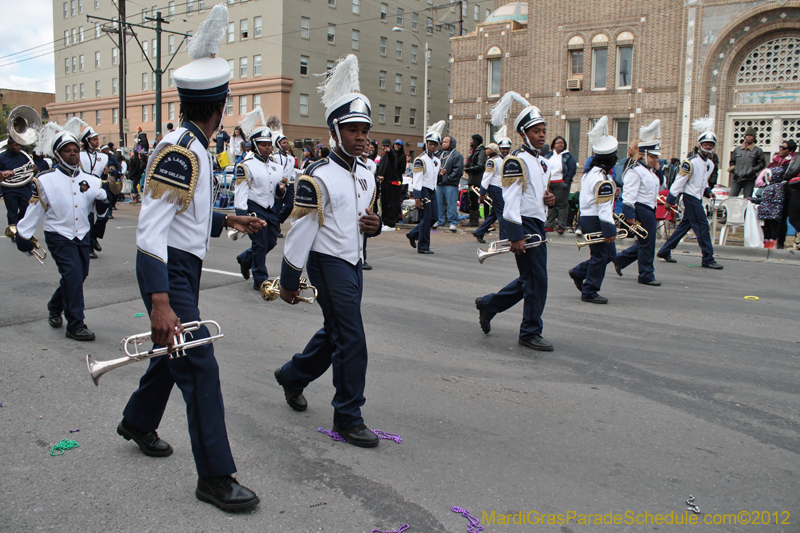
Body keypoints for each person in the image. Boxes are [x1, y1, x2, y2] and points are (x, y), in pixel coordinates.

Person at [120, 5, 263, 512]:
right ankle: (215, 478)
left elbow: (187, 214)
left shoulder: (196, 147)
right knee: (200, 365)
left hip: (184, 266)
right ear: (220, 103)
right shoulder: (182, 151)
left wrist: (230, 220)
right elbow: (151, 233)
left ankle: (137, 421)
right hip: (170, 273)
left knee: (171, 356)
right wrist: (160, 300)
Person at [274, 54, 382, 448]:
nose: (360, 136)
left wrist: (377, 226)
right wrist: (288, 282)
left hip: (353, 264)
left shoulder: (368, 172)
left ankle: (292, 375)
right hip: (326, 264)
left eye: (364, 130)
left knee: (335, 331)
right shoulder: (316, 176)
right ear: (335, 131)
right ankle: (347, 416)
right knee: (352, 339)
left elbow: (368, 217)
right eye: (352, 129)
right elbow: (299, 235)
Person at [475, 92, 556, 351]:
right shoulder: (516, 161)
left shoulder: (541, 162)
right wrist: (515, 235)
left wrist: (549, 199)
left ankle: (489, 304)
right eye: (535, 131)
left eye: (543, 130)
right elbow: (511, 203)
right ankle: (529, 331)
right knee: (537, 281)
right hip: (524, 225)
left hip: (536, 223)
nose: (541, 135)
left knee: (530, 280)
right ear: (523, 134)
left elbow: (534, 196)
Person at [16, 120, 108, 340]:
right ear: (58, 155)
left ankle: (54, 305)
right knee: (72, 274)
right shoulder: (45, 181)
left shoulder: (92, 181)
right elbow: (35, 210)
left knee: (79, 275)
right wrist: (24, 234)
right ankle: (75, 324)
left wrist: (104, 202)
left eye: (75, 150)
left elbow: (100, 213)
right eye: (67, 151)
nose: (73, 154)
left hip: (82, 234)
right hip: (58, 234)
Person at [657, 117, 722, 269]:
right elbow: (679, 182)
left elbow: (703, 180)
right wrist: (670, 200)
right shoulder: (690, 162)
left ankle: (665, 250)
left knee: (684, 226)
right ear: (699, 145)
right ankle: (708, 258)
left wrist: (707, 191)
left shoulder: (710, 163)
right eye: (705, 144)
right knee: (702, 226)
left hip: (698, 197)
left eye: (711, 144)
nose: (708, 146)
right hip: (690, 197)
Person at [233, 108, 286, 288]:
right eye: (264, 144)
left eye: (269, 144)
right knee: (260, 243)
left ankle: (245, 259)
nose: (268, 147)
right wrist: (242, 215)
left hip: (270, 209)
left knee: (271, 241)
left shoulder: (277, 167)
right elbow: (241, 190)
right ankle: (260, 280)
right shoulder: (245, 166)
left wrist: (281, 190)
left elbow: (278, 192)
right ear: (255, 145)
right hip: (254, 207)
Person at [568, 116, 619, 304]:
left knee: (610, 255)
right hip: (597, 219)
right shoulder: (603, 179)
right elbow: (604, 208)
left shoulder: (591, 173)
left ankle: (580, 271)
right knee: (600, 256)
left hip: (588, 217)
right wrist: (609, 230)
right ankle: (589, 290)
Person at [613, 120, 663, 286]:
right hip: (640, 208)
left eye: (657, 157)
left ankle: (620, 260)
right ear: (644, 155)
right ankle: (646, 275)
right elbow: (629, 194)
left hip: (649, 208)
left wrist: (658, 167)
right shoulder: (635, 171)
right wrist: (630, 214)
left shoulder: (649, 171)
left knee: (645, 241)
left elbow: (661, 184)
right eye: (653, 156)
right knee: (648, 244)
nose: (656, 159)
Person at [406, 121, 444, 254]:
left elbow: (433, 176)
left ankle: (413, 233)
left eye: (434, 144)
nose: (432, 146)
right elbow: (417, 179)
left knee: (434, 217)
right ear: (426, 144)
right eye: (430, 144)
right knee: (427, 218)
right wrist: (417, 197)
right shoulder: (420, 159)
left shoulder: (437, 160)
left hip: (432, 190)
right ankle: (423, 246)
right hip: (423, 190)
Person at [78, 125, 110, 258]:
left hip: (98, 188)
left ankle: (95, 237)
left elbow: (104, 176)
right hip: (85, 189)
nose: (97, 142)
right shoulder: (80, 155)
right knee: (89, 218)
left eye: (97, 139)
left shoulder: (102, 156)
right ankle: (90, 246)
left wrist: (105, 174)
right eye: (94, 139)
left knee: (104, 215)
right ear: (87, 141)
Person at [0, 138, 37, 229]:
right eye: (15, 145)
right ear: (9, 146)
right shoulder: (2, 157)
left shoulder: (24, 156)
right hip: (9, 189)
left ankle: (19, 225)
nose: (18, 147)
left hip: (24, 187)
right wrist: (5, 172)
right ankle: (13, 231)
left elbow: (30, 170)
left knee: (26, 209)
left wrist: (35, 170)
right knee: (12, 212)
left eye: (19, 145)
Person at [544, 135, 577, 234]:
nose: (560, 144)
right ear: (554, 145)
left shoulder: (567, 156)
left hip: (561, 183)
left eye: (562, 143)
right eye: (558, 142)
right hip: (550, 183)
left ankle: (561, 225)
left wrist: (566, 182)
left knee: (562, 205)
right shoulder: (549, 155)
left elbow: (572, 169)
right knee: (550, 204)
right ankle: (550, 224)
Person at [472, 142, 503, 243]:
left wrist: (482, 192)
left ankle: (480, 232)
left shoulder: (492, 161)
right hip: (496, 188)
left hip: (496, 187)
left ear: (493, 151)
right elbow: (486, 177)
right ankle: (504, 237)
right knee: (501, 213)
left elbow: (487, 178)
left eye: (488, 149)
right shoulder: (494, 161)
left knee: (494, 213)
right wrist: (482, 192)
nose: (486, 150)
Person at [435, 135, 464, 232]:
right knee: (439, 203)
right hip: (439, 183)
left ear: (451, 143)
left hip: (450, 184)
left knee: (451, 203)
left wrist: (447, 177)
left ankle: (452, 222)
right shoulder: (439, 154)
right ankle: (440, 220)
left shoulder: (456, 155)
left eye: (446, 142)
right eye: (443, 142)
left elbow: (457, 170)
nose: (443, 143)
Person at [729, 126, 765, 198]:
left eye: (751, 136)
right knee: (731, 198)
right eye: (747, 135)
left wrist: (753, 170)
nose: (749, 137)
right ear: (745, 137)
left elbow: (762, 163)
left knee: (747, 199)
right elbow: (732, 162)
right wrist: (734, 170)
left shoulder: (757, 150)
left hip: (749, 179)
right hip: (736, 179)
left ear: (754, 138)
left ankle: (745, 210)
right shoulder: (737, 149)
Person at [376, 139, 404, 230]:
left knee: (391, 204)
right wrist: (380, 176)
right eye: (384, 146)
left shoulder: (393, 155)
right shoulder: (383, 157)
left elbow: (392, 158)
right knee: (384, 203)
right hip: (384, 182)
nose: (385, 148)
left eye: (387, 146)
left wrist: (390, 151)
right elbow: (381, 168)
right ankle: (385, 221)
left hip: (392, 183)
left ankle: (391, 223)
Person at [464, 134, 486, 226]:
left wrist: (468, 169)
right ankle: (472, 219)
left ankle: (474, 221)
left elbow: (480, 165)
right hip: (472, 178)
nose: (470, 141)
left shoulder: (481, 151)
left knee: (474, 200)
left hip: (477, 179)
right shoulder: (473, 151)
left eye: (471, 139)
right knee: (471, 199)